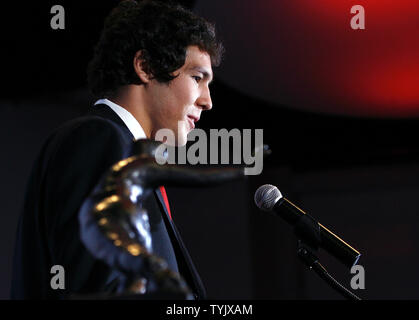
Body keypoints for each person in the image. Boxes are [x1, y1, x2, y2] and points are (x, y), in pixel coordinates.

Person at [11, 0, 223, 299]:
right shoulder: (97, 139)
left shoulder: (124, 152)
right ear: (146, 67)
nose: (207, 101)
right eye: (197, 78)